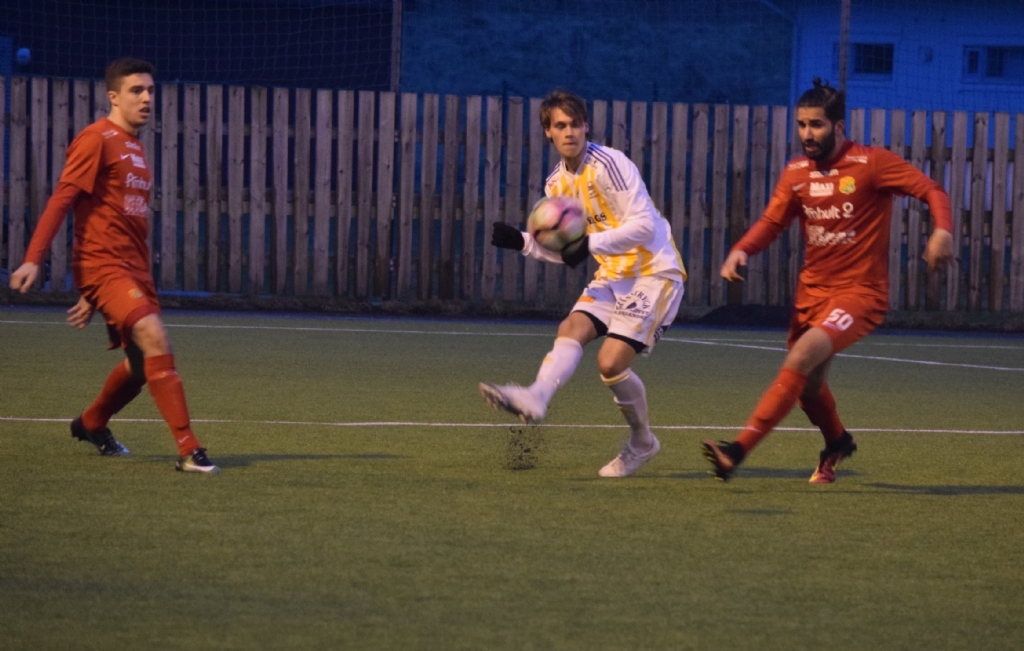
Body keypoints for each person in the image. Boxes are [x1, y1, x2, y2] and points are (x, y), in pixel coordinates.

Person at [701, 79, 953, 483]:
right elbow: (772, 222)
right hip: (811, 295)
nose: (807, 134)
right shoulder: (796, 172)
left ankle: (736, 451)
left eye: (816, 125)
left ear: (838, 127)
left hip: (859, 294)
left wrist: (942, 230)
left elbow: (931, 190)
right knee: (809, 385)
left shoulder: (872, 163)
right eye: (801, 125)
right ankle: (837, 441)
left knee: (799, 359)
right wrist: (742, 249)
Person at [9, 58, 219, 474]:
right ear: (113, 97)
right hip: (106, 265)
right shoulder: (96, 139)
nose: (146, 98)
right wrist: (34, 258)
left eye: (151, 90)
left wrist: (96, 295)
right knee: (156, 337)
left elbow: (113, 215)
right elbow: (63, 199)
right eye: (136, 90)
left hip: (132, 268)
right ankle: (189, 449)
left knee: (141, 365)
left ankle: (91, 422)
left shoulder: (135, 147)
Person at [480, 90, 687, 478]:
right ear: (548, 131)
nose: (570, 132)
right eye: (560, 125)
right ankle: (536, 396)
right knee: (571, 327)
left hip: (654, 272)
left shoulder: (610, 164)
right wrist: (523, 242)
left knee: (610, 364)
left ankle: (642, 443)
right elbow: (567, 250)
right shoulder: (556, 184)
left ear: (586, 126)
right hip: (613, 273)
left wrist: (587, 245)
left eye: (576, 124)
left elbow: (644, 226)